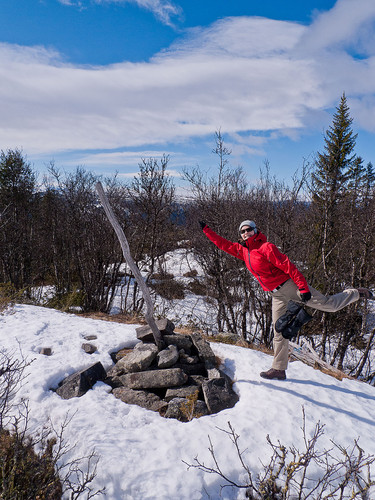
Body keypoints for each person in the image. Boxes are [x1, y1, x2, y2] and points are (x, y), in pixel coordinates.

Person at [199, 219, 373, 380]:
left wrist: (303, 287)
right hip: (276, 294)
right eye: (242, 231)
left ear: (255, 230)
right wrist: (207, 230)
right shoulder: (244, 251)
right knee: (279, 329)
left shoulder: (266, 247)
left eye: (249, 230)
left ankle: (355, 293)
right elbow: (223, 244)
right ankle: (279, 369)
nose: (245, 233)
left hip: (290, 286)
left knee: (330, 305)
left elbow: (289, 267)